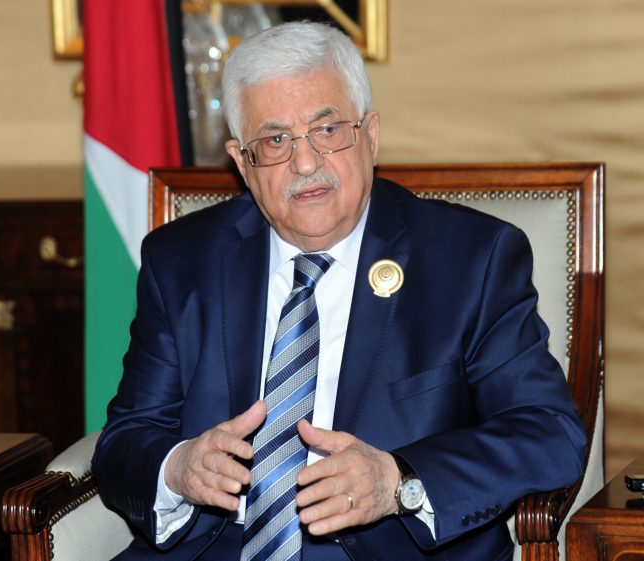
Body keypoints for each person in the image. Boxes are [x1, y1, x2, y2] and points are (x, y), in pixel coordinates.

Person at [93, 21, 586, 561]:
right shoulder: (180, 262)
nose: (305, 163)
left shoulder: (472, 260)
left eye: (327, 130)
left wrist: (399, 482)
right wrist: (178, 469)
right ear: (242, 162)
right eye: (275, 141)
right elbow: (126, 439)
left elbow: (548, 433)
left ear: (370, 135)